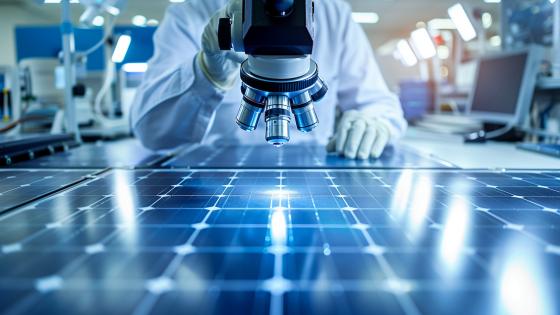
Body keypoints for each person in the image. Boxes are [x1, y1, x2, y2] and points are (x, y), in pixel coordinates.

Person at [131, 0, 407, 160]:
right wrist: (206, 72)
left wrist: (373, 123)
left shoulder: (333, 13)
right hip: (216, 184)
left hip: (313, 177)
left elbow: (380, 106)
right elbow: (150, 132)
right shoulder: (190, 14)